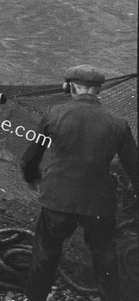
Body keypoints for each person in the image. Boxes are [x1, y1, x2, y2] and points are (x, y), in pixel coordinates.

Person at [20, 65, 138, 301]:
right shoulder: (118, 122)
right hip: (98, 205)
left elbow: (30, 156)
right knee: (105, 257)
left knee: (45, 255)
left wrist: (32, 176)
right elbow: (134, 168)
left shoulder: (54, 113)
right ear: (98, 90)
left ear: (69, 87)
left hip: (57, 201)